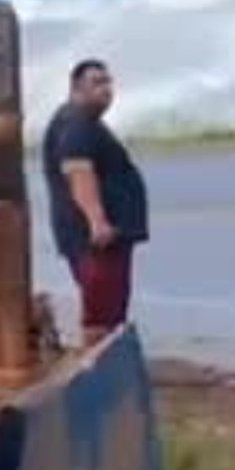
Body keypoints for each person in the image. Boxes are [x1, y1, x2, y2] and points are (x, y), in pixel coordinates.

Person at [41, 59, 150, 347]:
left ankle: (105, 373)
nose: (106, 89)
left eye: (108, 82)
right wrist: (97, 221)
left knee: (109, 316)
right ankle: (99, 377)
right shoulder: (77, 123)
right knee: (101, 321)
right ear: (77, 88)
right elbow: (79, 172)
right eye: (97, 83)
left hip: (102, 239)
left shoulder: (85, 123)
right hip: (97, 240)